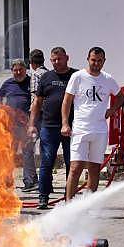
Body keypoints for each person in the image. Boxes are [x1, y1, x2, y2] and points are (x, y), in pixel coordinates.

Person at [62, 47, 124, 201]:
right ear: (88, 59)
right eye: (93, 60)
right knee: (75, 167)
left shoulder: (108, 79)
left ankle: (88, 204)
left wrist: (113, 109)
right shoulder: (77, 77)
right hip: (80, 129)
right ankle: (68, 204)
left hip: (100, 130)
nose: (96, 63)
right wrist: (65, 123)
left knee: (94, 168)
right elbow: (67, 101)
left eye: (99, 61)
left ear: (104, 61)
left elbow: (121, 96)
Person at [27, 47, 77, 209]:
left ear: (67, 58)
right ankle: (43, 197)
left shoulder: (76, 76)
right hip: (49, 127)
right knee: (47, 163)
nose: (56, 63)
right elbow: (37, 103)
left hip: (72, 127)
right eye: (53, 60)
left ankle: (69, 198)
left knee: (72, 163)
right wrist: (32, 124)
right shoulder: (46, 77)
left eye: (59, 59)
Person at [0, 59, 36, 191]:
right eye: (15, 70)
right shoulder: (7, 84)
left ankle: (30, 181)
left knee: (28, 152)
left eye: (21, 70)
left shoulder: (31, 82)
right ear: (12, 71)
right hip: (10, 125)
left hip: (27, 124)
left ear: (26, 70)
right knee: (9, 153)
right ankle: (6, 180)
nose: (18, 72)